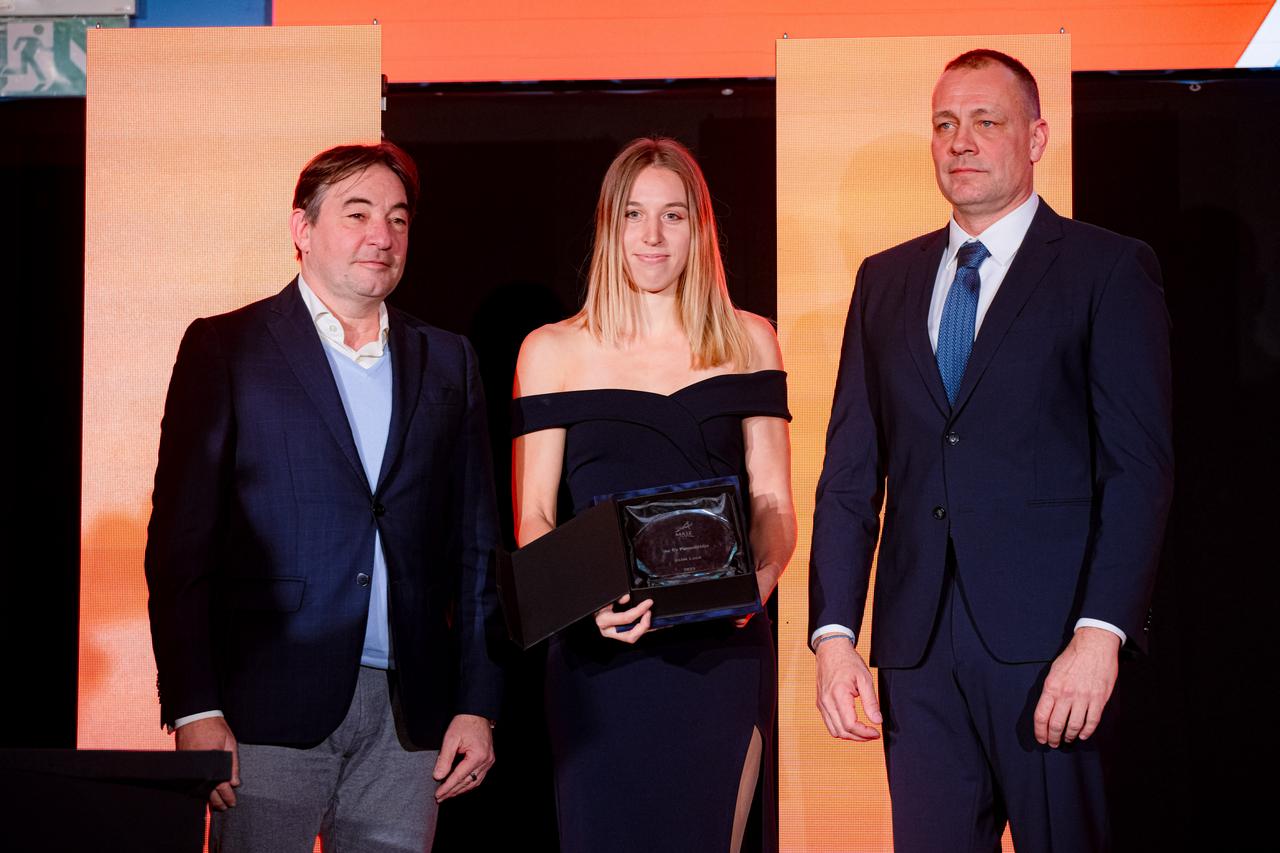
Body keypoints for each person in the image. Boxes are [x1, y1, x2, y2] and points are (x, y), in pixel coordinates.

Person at [809, 50, 1173, 852]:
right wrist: (834, 636)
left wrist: (1101, 633)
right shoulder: (884, 280)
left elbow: (1138, 469)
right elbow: (849, 476)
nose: (960, 141)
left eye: (985, 121)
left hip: (1053, 650)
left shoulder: (1106, 268)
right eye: (945, 124)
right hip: (916, 658)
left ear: (1036, 137)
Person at [144, 142, 503, 852]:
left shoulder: (448, 359)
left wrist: (478, 703)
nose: (382, 235)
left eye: (398, 219)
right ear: (301, 228)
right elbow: (180, 546)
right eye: (358, 214)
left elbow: (477, 548)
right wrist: (193, 706)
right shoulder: (228, 347)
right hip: (263, 709)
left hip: (410, 718)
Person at [512, 137, 796, 853]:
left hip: (723, 657)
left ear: (700, 227)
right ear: (609, 226)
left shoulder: (751, 340)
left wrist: (755, 589)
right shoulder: (552, 350)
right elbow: (534, 517)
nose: (652, 236)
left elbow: (774, 503)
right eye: (634, 214)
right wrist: (586, 602)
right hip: (600, 662)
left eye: (673, 215)